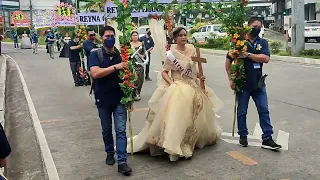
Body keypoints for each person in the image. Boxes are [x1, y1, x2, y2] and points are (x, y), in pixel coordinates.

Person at [127, 27, 223, 161]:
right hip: (178, 85)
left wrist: (200, 78)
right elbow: (164, 72)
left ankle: (189, 140)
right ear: (175, 38)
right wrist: (171, 83)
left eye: (185, 35)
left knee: (194, 114)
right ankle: (174, 144)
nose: (184, 37)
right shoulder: (171, 54)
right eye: (181, 35)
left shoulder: (192, 50)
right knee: (177, 116)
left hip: (192, 85)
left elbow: (195, 70)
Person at [225, 17, 282, 150]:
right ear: (248, 26)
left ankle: (267, 138)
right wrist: (231, 79)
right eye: (254, 26)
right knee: (242, 111)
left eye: (259, 26)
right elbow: (228, 61)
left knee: (264, 110)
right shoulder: (239, 42)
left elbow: (265, 58)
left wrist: (248, 55)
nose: (257, 28)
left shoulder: (262, 42)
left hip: (258, 84)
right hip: (242, 83)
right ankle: (243, 136)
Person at [89, 26, 132, 176]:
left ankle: (122, 161)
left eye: (112, 35)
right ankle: (109, 151)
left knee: (121, 130)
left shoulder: (121, 54)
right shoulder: (96, 54)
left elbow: (128, 74)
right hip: (103, 99)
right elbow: (95, 73)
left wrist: (130, 90)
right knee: (107, 129)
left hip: (119, 98)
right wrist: (116, 67)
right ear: (102, 38)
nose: (109, 38)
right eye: (107, 36)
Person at [130, 31, 148, 101]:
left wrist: (143, 56)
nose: (135, 37)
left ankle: (138, 92)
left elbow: (145, 53)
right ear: (131, 37)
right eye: (133, 35)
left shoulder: (141, 44)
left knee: (140, 79)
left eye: (136, 35)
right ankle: (134, 93)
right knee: (133, 79)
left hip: (140, 64)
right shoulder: (129, 45)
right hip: (132, 64)